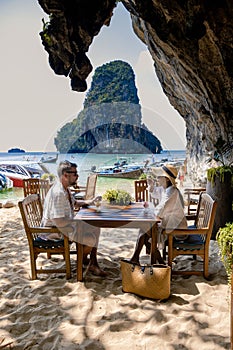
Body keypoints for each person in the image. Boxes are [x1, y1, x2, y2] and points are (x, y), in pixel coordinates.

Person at [40, 160, 106, 277]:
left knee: (96, 226)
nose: (77, 176)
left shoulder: (65, 189)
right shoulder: (58, 193)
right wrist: (79, 221)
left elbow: (75, 203)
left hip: (63, 227)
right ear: (65, 175)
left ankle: (92, 262)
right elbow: (59, 221)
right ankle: (82, 260)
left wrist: (89, 201)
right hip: (54, 232)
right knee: (91, 239)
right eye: (75, 174)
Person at [130, 164, 187, 264]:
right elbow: (157, 194)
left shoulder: (172, 193)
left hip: (176, 228)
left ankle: (155, 260)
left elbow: (160, 211)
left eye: (159, 176)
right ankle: (152, 259)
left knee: (145, 229)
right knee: (145, 230)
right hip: (170, 224)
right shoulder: (168, 190)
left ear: (167, 179)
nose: (157, 178)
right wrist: (151, 186)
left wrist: (147, 211)